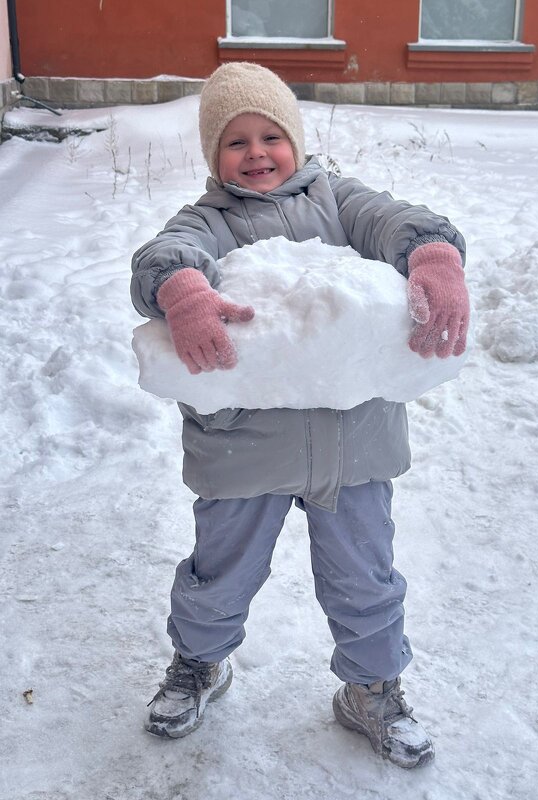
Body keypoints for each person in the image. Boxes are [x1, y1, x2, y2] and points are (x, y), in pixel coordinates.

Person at [130, 62, 469, 769]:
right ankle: (199, 664)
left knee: (365, 575)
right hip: (243, 447)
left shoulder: (342, 203)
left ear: (297, 139)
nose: (256, 154)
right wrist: (183, 289)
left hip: (356, 446)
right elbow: (165, 256)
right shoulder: (210, 221)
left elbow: (399, 220)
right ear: (214, 157)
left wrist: (433, 254)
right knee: (219, 572)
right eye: (235, 142)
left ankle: (372, 688)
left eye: (271, 136)